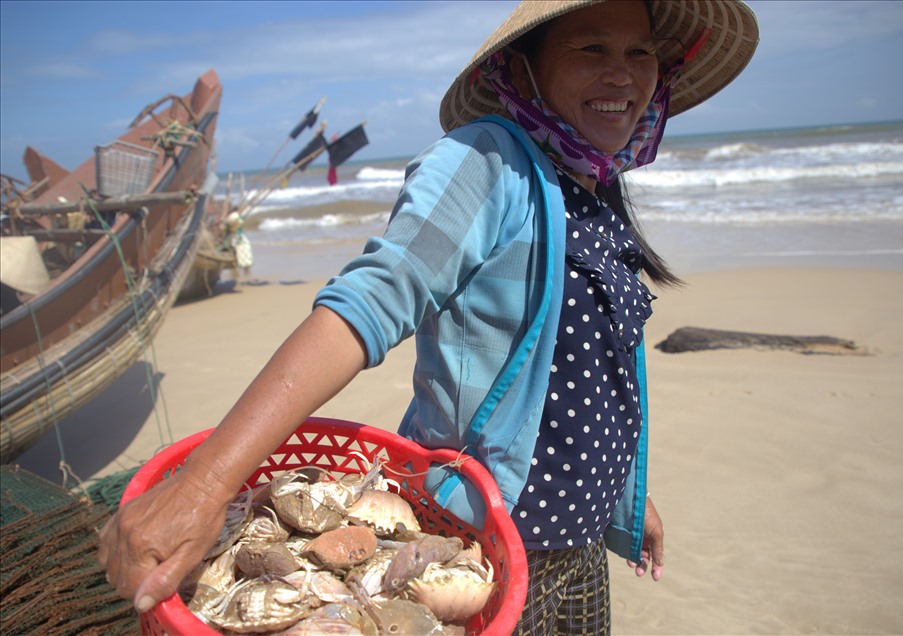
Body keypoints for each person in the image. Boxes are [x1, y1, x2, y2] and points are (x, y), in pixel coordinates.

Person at [98, 1, 759, 633]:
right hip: (485, 549)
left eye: (640, 51)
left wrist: (625, 490)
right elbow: (370, 303)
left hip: (580, 546)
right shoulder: (486, 164)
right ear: (523, 69)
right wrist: (207, 484)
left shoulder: (594, 186)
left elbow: (595, 373)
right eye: (591, 47)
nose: (622, 72)